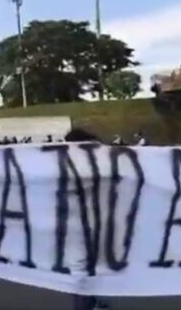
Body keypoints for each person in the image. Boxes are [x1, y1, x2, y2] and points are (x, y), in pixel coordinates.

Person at [64, 128, 110, 310]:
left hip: (85, 225)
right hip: (80, 228)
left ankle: (90, 303)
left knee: (86, 271)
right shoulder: (81, 168)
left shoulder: (67, 164)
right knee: (81, 273)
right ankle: (85, 305)